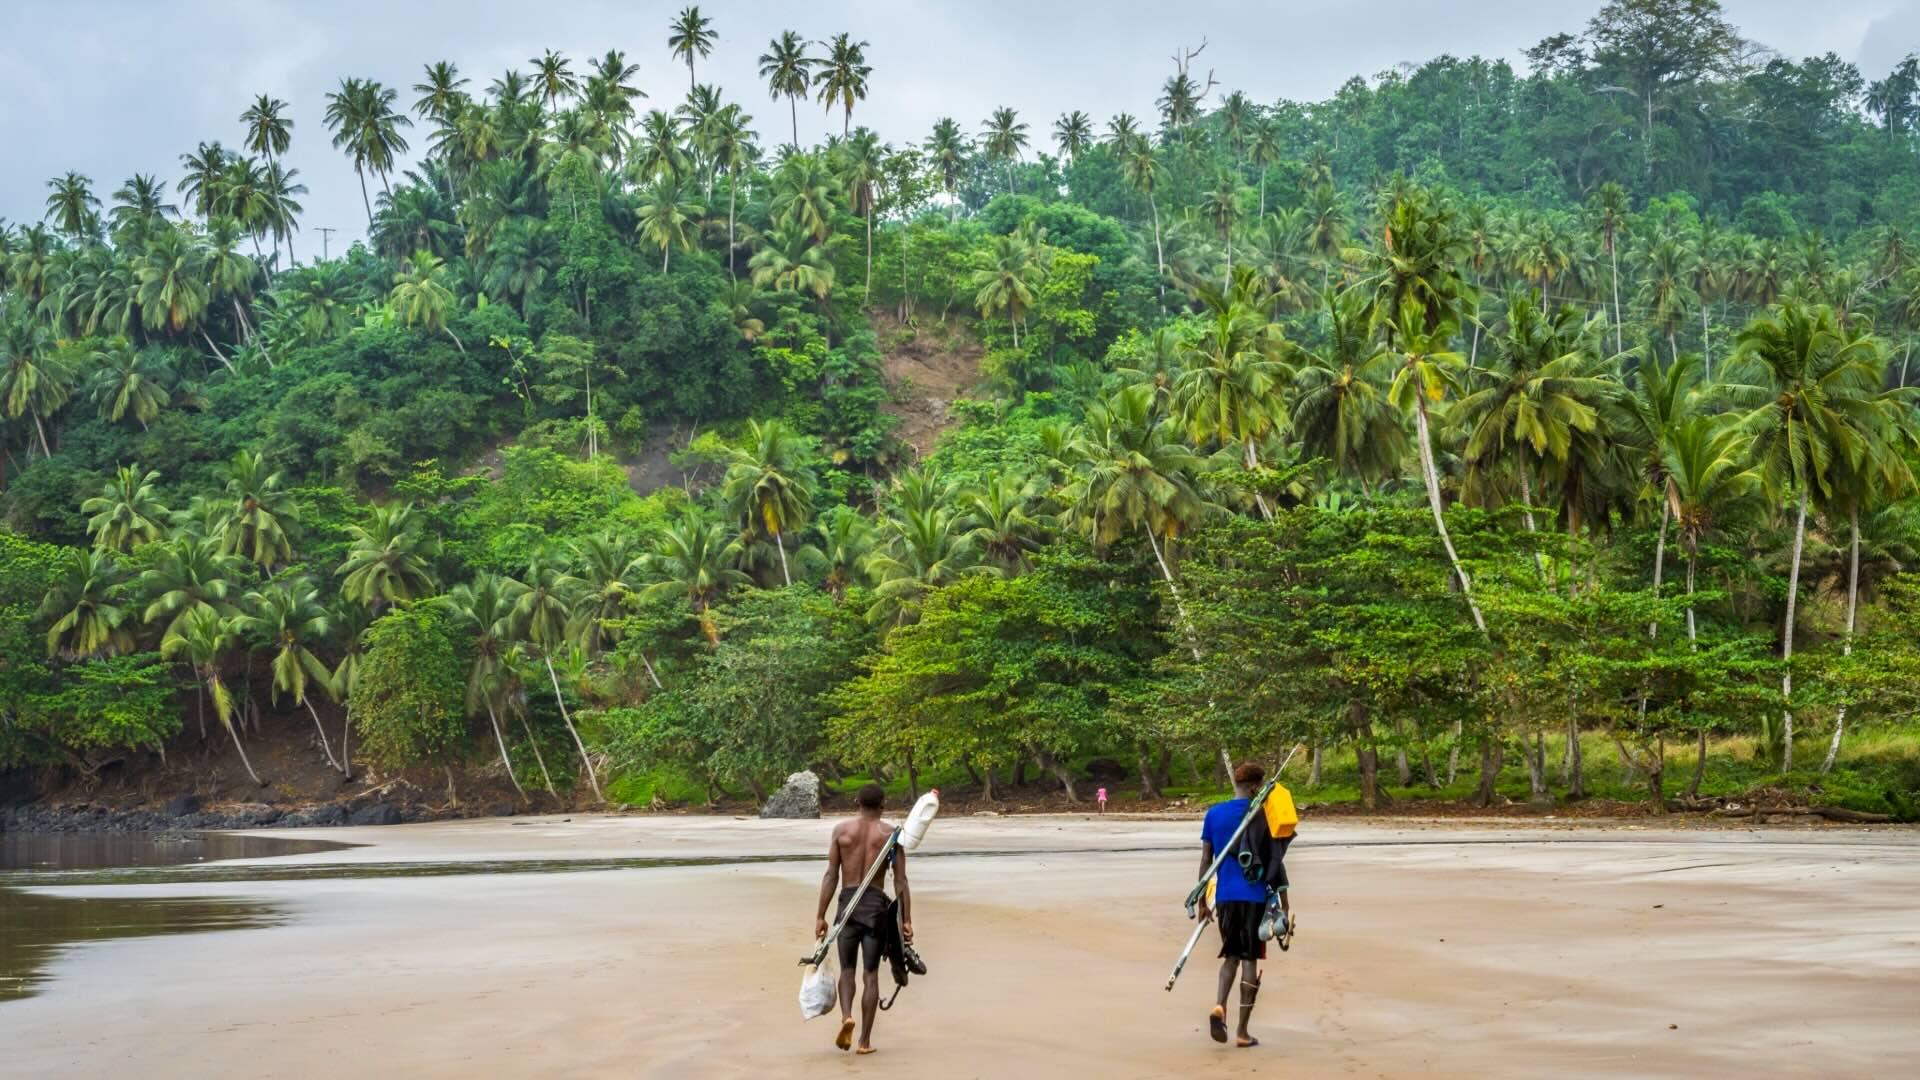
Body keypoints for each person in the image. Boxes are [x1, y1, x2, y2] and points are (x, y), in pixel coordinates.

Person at [814, 783, 912, 1055]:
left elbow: (831, 874)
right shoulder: (891, 835)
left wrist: (821, 915)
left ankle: (847, 1016)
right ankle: (864, 1042)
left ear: (857, 802)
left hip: (847, 906)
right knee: (870, 974)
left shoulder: (841, 831)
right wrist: (906, 918)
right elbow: (901, 880)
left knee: (847, 970)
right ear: (883, 804)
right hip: (875, 908)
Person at [1195, 761, 1283, 1048]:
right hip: (1254, 896)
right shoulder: (1261, 814)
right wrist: (1282, 901)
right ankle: (1243, 1033)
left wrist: (1201, 901)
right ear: (1257, 786)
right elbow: (1274, 860)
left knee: (1230, 955)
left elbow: (1207, 859)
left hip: (1224, 897)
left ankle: (1219, 1006)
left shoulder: (1214, 814)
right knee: (1249, 959)